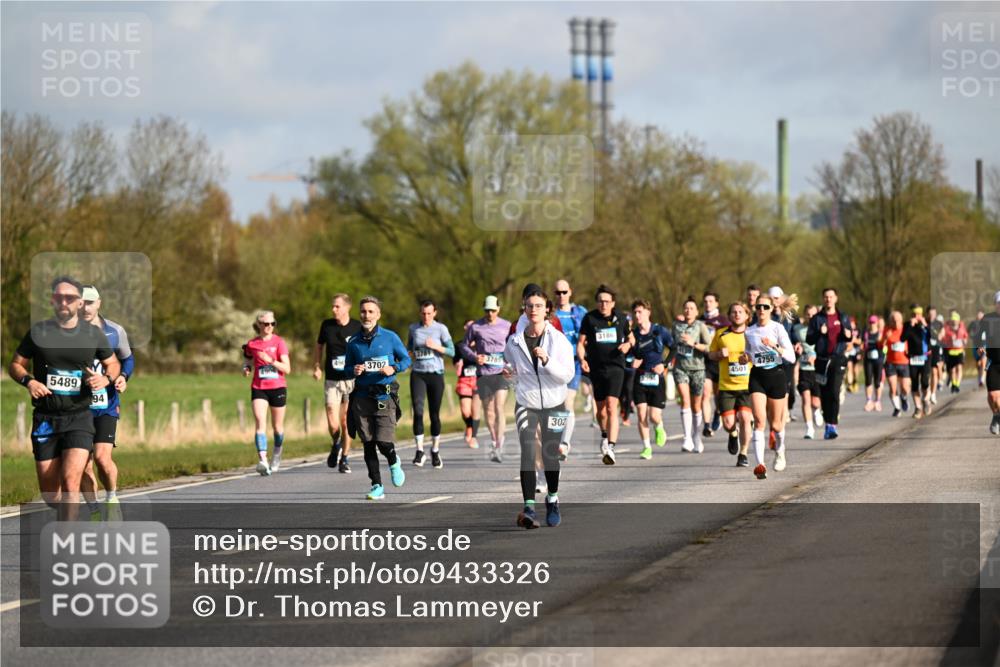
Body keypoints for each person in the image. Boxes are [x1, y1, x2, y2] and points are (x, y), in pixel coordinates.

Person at [8, 276, 119, 521]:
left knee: (71, 483)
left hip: (79, 416)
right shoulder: (38, 332)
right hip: (46, 418)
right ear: (52, 300)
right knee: (51, 496)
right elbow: (16, 364)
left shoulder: (93, 334)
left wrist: (105, 380)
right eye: (59, 298)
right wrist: (30, 381)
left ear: (80, 303)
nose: (64, 303)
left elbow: (113, 364)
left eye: (70, 298)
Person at [503, 288, 576, 529]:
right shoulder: (514, 341)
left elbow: (567, 375)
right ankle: (529, 507)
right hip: (527, 402)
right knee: (527, 451)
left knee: (550, 454)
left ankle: (553, 499)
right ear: (524, 308)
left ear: (547, 310)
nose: (533, 309)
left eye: (538, 306)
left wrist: (547, 360)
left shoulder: (558, 341)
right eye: (529, 305)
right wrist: (509, 376)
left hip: (555, 402)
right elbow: (512, 373)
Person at [345, 296, 411, 500]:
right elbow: (346, 368)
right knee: (368, 443)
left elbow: (406, 359)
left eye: (371, 311)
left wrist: (394, 367)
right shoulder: (353, 342)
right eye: (363, 311)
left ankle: (393, 461)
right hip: (362, 396)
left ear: (378, 315)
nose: (367, 315)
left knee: (383, 442)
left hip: (384, 394)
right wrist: (353, 369)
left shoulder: (390, 337)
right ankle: (376, 485)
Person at [78, 285, 134, 521]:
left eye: (90, 302)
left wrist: (122, 377)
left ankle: (111, 497)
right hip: (77, 408)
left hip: (106, 405)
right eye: (81, 302)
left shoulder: (114, 331)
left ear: (99, 303)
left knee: (102, 458)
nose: (86, 307)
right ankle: (94, 512)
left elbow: (127, 359)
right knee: (82, 464)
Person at [578, 284, 634, 465]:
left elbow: (631, 338)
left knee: (611, 406)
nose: (603, 304)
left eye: (607, 301)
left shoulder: (621, 318)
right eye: (600, 301)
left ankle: (611, 447)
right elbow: (581, 343)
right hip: (596, 368)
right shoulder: (589, 318)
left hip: (616, 367)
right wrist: (582, 359)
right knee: (600, 409)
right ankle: (604, 435)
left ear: (613, 303)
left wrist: (627, 345)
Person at [745, 295, 796, 479]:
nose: (761, 310)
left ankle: (780, 451)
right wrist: (745, 358)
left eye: (765, 307)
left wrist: (774, 346)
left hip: (776, 375)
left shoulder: (777, 328)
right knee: (759, 421)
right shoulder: (749, 331)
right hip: (757, 376)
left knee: (775, 424)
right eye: (758, 306)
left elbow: (791, 357)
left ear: (770, 308)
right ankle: (760, 465)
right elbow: (748, 354)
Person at [314, 294, 363, 474]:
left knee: (345, 421)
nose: (333, 309)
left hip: (351, 380)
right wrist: (317, 366)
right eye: (333, 306)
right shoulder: (327, 325)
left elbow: (364, 348)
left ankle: (344, 458)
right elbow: (319, 346)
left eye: (337, 306)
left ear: (347, 308)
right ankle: (336, 444)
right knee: (333, 422)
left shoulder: (357, 326)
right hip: (332, 379)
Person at [459, 296, 512, 462]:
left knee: (499, 407)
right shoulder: (476, 327)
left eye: (493, 310)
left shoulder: (507, 326)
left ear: (499, 309)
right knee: (488, 411)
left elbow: (514, 344)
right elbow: (463, 346)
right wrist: (475, 357)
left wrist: (510, 363)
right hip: (483, 372)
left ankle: (499, 446)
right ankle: (494, 439)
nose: (490, 313)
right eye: (487, 310)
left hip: (501, 371)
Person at [407, 300, 454, 469]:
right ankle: (419, 451)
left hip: (435, 374)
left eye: (429, 313)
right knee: (418, 411)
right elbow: (410, 348)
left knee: (434, 414)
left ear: (434, 313)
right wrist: (409, 354)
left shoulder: (441, 329)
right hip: (418, 373)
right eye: (423, 313)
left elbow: (452, 351)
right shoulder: (413, 328)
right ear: (420, 313)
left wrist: (436, 347)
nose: (426, 317)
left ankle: (435, 450)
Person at [242, 311, 290, 476]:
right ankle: (262, 460)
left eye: (272, 324)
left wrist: (271, 361)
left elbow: (287, 368)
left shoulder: (279, 342)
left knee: (277, 428)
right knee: (259, 422)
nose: (270, 327)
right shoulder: (252, 344)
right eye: (266, 324)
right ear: (259, 325)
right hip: (259, 387)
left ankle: (276, 454)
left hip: (277, 387)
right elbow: (248, 357)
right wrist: (246, 367)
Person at [708, 301, 753, 467]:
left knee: (745, 418)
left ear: (747, 315)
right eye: (734, 312)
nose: (737, 314)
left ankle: (743, 453)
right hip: (726, 386)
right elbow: (710, 354)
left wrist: (750, 358)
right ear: (729, 315)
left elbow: (760, 354)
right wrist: (719, 354)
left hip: (747, 385)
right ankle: (733, 434)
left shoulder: (751, 334)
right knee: (728, 424)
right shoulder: (721, 334)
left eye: (740, 311)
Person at [805, 288, 853, 439]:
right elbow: (809, 339)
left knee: (834, 391)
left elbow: (849, 336)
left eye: (831, 297)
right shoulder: (817, 319)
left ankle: (833, 424)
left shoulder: (843, 317)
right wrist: (820, 332)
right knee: (824, 394)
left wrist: (848, 335)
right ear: (823, 299)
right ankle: (828, 424)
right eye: (826, 297)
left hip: (838, 358)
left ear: (836, 298)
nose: (828, 299)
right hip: (821, 360)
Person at [670, 297, 712, 453]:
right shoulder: (676, 326)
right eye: (686, 308)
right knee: (685, 400)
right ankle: (687, 437)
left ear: (697, 312)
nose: (688, 311)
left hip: (698, 369)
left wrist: (692, 344)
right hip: (680, 367)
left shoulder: (700, 326)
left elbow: (709, 347)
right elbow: (671, 344)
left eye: (691, 308)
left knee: (696, 405)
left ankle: (696, 436)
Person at [553, 279, 588, 459]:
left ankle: (564, 444)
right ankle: (559, 438)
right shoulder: (550, 313)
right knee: (556, 406)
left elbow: (590, 332)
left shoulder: (580, 312)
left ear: (570, 292)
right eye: (558, 293)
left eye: (564, 292)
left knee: (568, 402)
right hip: (553, 364)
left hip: (573, 362)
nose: (561, 296)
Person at [630, 300, 669, 459]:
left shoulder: (659, 331)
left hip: (656, 378)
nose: (637, 315)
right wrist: (631, 361)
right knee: (641, 414)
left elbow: (673, 348)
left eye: (640, 312)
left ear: (648, 312)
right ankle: (646, 447)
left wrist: (664, 365)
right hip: (640, 378)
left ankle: (659, 426)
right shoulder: (633, 334)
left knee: (654, 416)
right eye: (635, 312)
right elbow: (629, 355)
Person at [699, 291, 730, 437]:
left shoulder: (724, 321)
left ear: (717, 303)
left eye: (711, 301)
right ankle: (706, 425)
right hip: (704, 361)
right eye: (705, 301)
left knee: (718, 394)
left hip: (719, 362)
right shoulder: (699, 321)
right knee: (706, 394)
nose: (707, 304)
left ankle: (718, 413)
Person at [794, 305, 821, 439]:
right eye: (808, 314)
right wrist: (796, 346)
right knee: (805, 399)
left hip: (817, 369)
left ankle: (817, 411)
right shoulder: (797, 329)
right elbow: (794, 341)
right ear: (804, 315)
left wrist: (815, 356)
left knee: (815, 402)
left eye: (813, 314)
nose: (810, 317)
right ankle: (809, 428)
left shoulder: (820, 329)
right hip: (804, 369)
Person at [454, 321, 481, 448]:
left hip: (478, 380)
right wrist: (458, 364)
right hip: (464, 380)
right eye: (468, 326)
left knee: (475, 411)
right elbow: (455, 361)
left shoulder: (482, 344)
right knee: (465, 411)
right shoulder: (459, 345)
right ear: (465, 328)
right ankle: (469, 426)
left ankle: (473, 434)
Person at [879, 311, 911, 418]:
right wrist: (885, 338)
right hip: (891, 363)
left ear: (901, 320)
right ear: (890, 321)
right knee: (893, 388)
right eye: (893, 320)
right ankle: (897, 408)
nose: (895, 322)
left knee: (905, 388)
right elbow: (880, 345)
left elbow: (911, 342)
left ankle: (904, 398)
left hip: (904, 362)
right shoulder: (887, 330)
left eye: (897, 320)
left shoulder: (905, 329)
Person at [903, 305, 932, 418]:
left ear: (922, 315)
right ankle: (918, 408)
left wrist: (925, 325)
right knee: (914, 384)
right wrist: (910, 326)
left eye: (918, 315)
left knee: (925, 382)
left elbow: (933, 338)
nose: (916, 317)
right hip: (913, 358)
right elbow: (903, 338)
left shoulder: (926, 325)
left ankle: (926, 400)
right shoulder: (908, 325)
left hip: (925, 358)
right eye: (914, 315)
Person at [980, 291, 1000, 434]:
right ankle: (996, 415)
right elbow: (979, 335)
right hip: (993, 361)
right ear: (995, 304)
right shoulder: (987, 319)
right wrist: (980, 345)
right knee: (993, 396)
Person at [941, 311, 969, 393]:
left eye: (955, 320)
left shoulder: (962, 327)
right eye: (952, 320)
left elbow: (966, 337)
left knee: (959, 368)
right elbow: (944, 339)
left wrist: (964, 341)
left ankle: (957, 384)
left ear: (958, 320)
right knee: (952, 370)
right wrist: (949, 339)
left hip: (960, 351)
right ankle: (953, 383)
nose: (954, 321)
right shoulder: (947, 328)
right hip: (951, 351)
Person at [862, 315, 885, 412]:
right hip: (868, 359)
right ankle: (868, 400)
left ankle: (878, 401)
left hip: (878, 360)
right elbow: (862, 344)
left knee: (877, 381)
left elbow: (884, 345)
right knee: (868, 380)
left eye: (874, 322)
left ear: (877, 323)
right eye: (870, 322)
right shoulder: (866, 333)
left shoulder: (880, 333)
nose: (872, 324)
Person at [927, 306, 944, 405]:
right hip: (926, 350)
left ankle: (933, 393)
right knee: (926, 373)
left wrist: (938, 334)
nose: (931, 315)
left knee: (934, 371)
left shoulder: (939, 324)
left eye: (933, 313)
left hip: (936, 349)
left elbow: (942, 335)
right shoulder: (924, 323)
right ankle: (927, 390)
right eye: (930, 314)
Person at [969, 310, 988, 389]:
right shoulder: (973, 324)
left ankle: (982, 379)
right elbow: (968, 332)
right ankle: (980, 376)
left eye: (981, 315)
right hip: (976, 345)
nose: (980, 316)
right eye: (978, 315)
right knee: (978, 364)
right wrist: (972, 336)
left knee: (983, 361)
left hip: (984, 345)